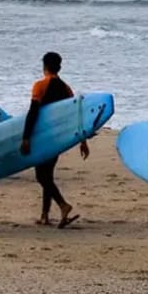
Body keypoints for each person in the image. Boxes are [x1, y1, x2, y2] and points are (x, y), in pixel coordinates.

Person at [19, 51, 89, 228]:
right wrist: (82, 141)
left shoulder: (40, 86)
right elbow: (74, 117)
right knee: (47, 175)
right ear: (59, 67)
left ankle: (63, 205)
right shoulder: (66, 88)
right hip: (59, 140)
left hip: (43, 137)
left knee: (42, 176)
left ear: (44, 66)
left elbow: (33, 113)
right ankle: (45, 215)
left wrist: (26, 137)